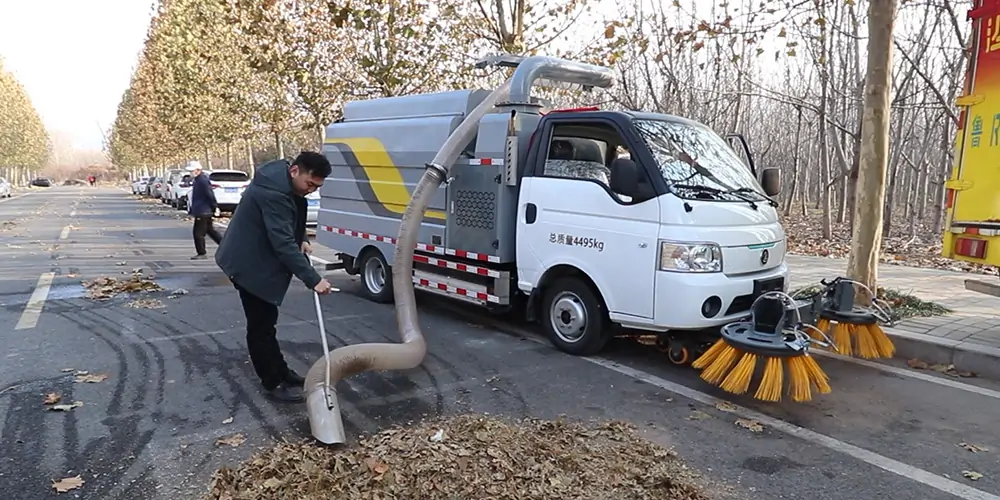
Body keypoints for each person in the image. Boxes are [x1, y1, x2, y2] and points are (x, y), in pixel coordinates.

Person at [215, 152, 334, 403]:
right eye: (310, 184)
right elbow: (282, 243)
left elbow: (292, 217)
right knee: (261, 327)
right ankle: (272, 381)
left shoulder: (285, 183)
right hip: (248, 264)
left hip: (257, 257)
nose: (311, 190)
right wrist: (313, 279)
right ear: (295, 171)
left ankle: (282, 372)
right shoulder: (273, 193)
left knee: (267, 324)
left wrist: (302, 237)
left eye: (316, 187)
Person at [187, 161, 223, 260]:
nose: (190, 173)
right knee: (210, 231)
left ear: (198, 170)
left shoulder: (202, 180)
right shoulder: (198, 180)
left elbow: (209, 194)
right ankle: (225, 245)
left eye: (192, 171)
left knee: (198, 233)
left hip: (203, 210)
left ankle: (201, 253)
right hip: (202, 210)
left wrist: (214, 206)